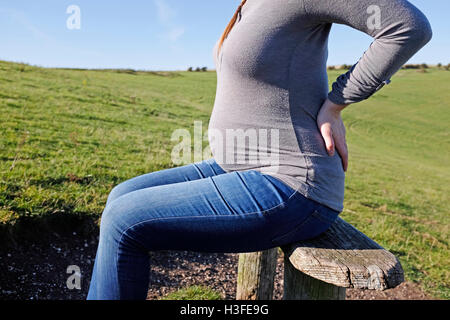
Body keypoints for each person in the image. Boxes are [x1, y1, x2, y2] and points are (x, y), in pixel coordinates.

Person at [87, 0, 432, 300]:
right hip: (240, 165)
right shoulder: (250, 4)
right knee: (121, 195)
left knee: (125, 221)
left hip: (292, 183)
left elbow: (408, 27)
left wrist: (337, 102)